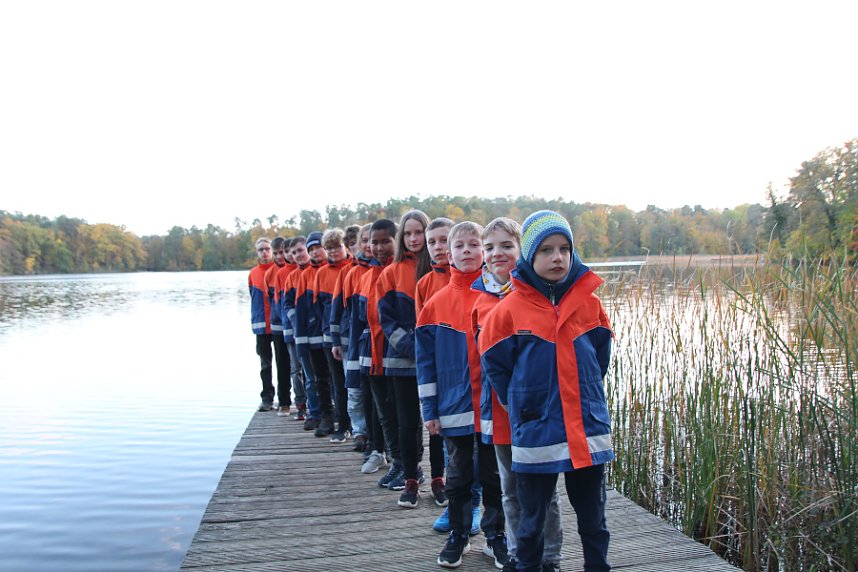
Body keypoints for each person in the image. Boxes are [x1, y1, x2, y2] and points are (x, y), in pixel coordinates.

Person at [480, 211, 613, 572]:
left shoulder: (591, 304)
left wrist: (585, 397)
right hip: (536, 431)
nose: (558, 258)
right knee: (531, 521)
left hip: (587, 430)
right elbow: (496, 365)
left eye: (564, 249)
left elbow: (600, 359)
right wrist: (520, 402)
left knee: (594, 520)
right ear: (529, 256)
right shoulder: (508, 311)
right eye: (547, 250)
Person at [472, 218, 563, 572]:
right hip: (498, 411)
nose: (497, 253)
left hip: (537, 414)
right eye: (490, 247)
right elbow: (481, 362)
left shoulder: (542, 293)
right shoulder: (479, 298)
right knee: (509, 488)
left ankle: (550, 557)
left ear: (522, 250)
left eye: (507, 246)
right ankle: (516, 551)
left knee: (544, 493)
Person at [417, 221, 507, 569]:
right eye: (461, 246)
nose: (468, 251)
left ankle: (495, 536)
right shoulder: (435, 305)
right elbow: (425, 365)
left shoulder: (500, 297)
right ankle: (459, 533)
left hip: (492, 409)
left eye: (475, 245)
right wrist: (429, 409)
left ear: (484, 252)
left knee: (492, 476)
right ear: (448, 253)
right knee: (457, 476)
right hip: (453, 409)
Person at [376, 210, 431, 504]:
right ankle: (411, 478)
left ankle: (439, 479)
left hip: (435, 360)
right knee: (407, 422)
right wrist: (411, 346)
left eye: (418, 232)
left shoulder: (438, 270)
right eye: (407, 234)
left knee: (437, 423)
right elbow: (386, 320)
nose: (413, 239)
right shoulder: (389, 274)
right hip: (401, 360)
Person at [358, 220, 398, 476]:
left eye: (386, 241)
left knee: (399, 410)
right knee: (377, 406)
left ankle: (403, 463)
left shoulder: (403, 271)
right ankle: (379, 452)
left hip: (395, 353)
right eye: (374, 242)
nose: (379, 247)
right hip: (369, 351)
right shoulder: (363, 276)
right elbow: (355, 319)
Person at [332, 223, 373, 452]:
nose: (368, 245)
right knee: (355, 390)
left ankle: (379, 439)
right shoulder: (349, 272)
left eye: (372, 240)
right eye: (364, 240)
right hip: (352, 342)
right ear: (357, 244)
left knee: (376, 394)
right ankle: (360, 431)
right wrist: (336, 340)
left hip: (378, 344)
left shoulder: (387, 271)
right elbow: (337, 309)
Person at [313, 228, 354, 443]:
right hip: (331, 337)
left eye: (337, 247)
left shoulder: (353, 268)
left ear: (345, 246)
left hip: (353, 336)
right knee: (337, 383)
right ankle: (343, 426)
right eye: (329, 248)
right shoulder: (321, 273)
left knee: (354, 385)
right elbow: (320, 307)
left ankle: (361, 430)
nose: (333, 251)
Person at [274, 237, 307, 420]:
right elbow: (281, 305)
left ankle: (314, 404)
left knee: (312, 369)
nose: (290, 255)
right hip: (289, 328)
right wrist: (293, 323)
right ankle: (300, 403)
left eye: (293, 251)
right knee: (296, 368)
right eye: (288, 252)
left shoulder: (308, 270)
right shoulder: (282, 274)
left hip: (310, 330)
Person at [264, 236, 294, 416]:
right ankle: (284, 402)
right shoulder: (270, 274)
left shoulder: (294, 270)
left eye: (282, 252)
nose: (279, 256)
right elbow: (270, 301)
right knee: (282, 363)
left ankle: (303, 402)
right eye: (275, 253)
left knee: (298, 365)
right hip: (277, 325)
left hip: (295, 325)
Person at [248, 237, 277, 411]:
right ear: (257, 252)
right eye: (261, 250)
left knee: (286, 363)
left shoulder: (278, 270)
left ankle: (286, 399)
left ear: (272, 250)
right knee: (265, 364)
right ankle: (267, 398)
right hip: (260, 325)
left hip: (278, 325)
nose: (264, 252)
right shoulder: (253, 273)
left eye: (267, 249)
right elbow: (253, 298)